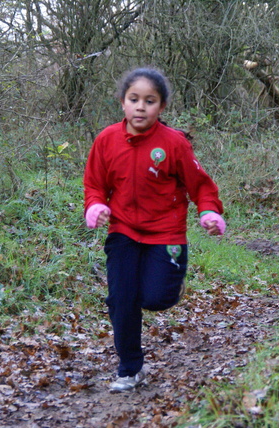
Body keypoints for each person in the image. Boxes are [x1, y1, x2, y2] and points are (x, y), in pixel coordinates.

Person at [83, 67, 226, 393]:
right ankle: (130, 368)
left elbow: (200, 185)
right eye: (134, 99)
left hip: (166, 235)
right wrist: (95, 206)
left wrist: (209, 211)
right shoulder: (106, 140)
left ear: (161, 107)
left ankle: (168, 286)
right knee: (122, 298)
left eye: (150, 101)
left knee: (155, 298)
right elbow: (94, 183)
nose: (140, 107)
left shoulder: (174, 144)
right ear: (122, 102)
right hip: (122, 232)